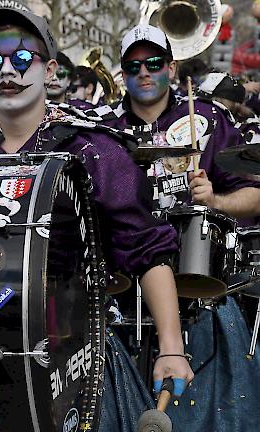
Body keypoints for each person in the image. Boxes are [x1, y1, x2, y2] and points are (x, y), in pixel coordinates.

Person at [0, 8, 194, 430]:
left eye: (22, 58)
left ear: (49, 68)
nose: (6, 71)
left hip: (73, 356)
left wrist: (171, 347)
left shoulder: (91, 147)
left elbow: (146, 250)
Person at [85, 24, 260, 431]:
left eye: (154, 63)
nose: (144, 73)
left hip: (198, 286)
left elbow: (254, 194)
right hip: (118, 288)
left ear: (172, 66)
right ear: (123, 73)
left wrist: (215, 199)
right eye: (133, 66)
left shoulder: (209, 118)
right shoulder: (101, 129)